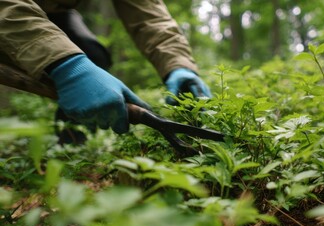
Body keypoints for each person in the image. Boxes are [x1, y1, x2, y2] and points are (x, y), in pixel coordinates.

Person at [0, 0, 212, 144]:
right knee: (70, 61)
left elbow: (151, 17)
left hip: (52, 11)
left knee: (94, 56)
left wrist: (178, 66)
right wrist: (67, 66)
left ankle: (71, 148)